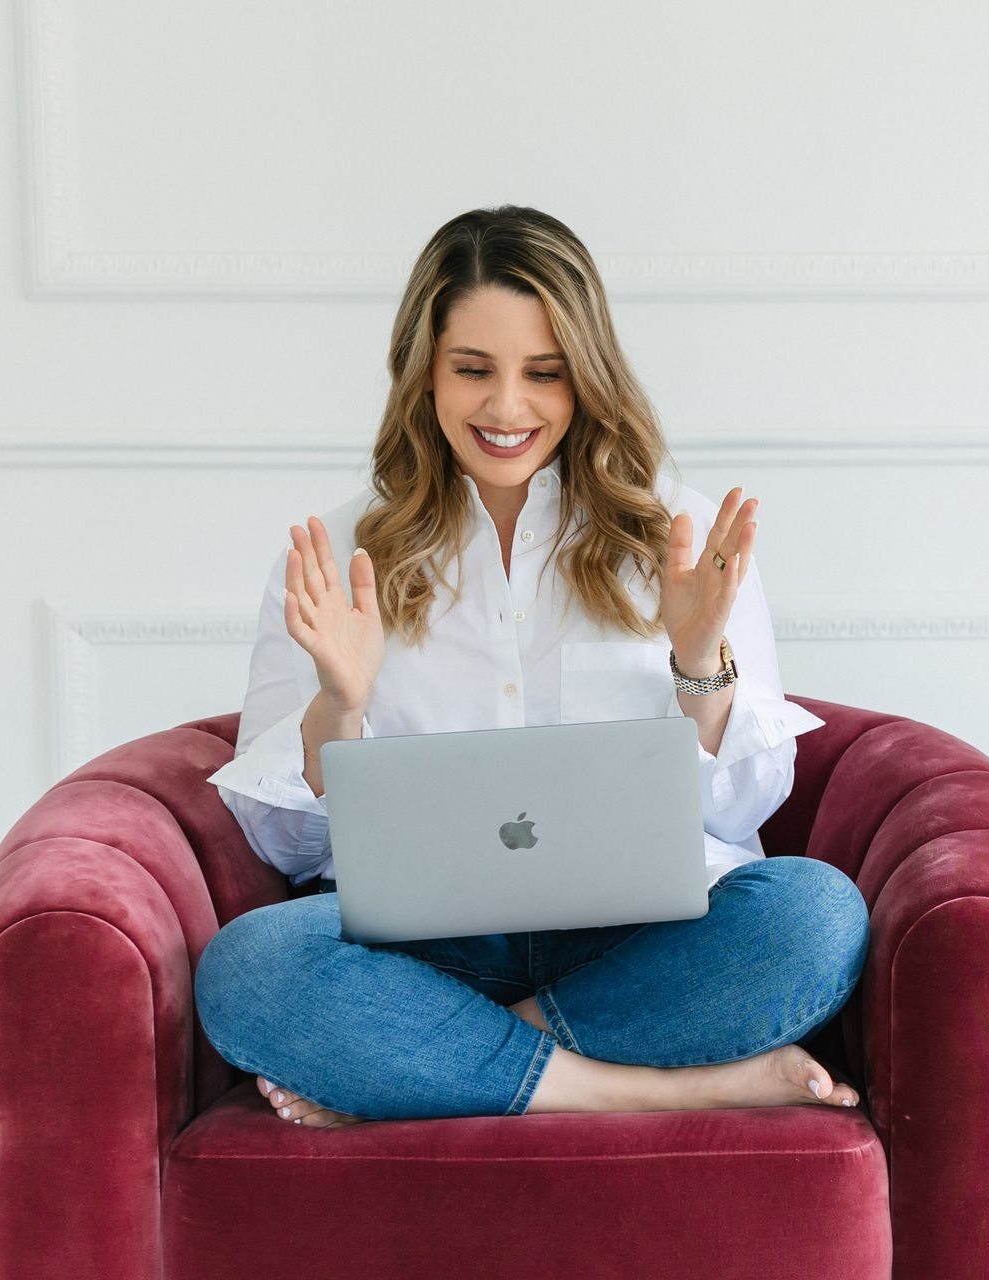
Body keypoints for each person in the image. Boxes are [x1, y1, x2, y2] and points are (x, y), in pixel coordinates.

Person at [194, 205, 870, 1129]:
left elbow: (744, 809)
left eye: (543, 375)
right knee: (254, 971)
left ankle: (441, 1066)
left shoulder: (677, 536)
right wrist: (339, 704)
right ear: (422, 371)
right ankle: (658, 1091)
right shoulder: (340, 555)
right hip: (430, 949)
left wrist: (696, 659)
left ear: (586, 378)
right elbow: (286, 849)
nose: (507, 409)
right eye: (473, 369)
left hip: (645, 940)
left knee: (816, 916)